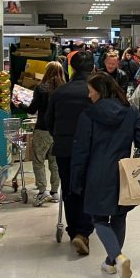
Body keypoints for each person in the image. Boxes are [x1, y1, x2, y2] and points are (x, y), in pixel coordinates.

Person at [70, 73, 140, 278]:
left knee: (98, 219)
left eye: (91, 91)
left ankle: (118, 257)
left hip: (96, 174)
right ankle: (111, 262)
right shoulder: (131, 112)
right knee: (119, 217)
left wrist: (76, 179)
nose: (89, 95)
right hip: (123, 172)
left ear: (100, 91)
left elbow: (81, 151)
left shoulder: (88, 115)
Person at [43, 51, 96, 255]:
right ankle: (85, 230)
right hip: (92, 148)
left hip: (65, 149)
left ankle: (76, 231)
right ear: (92, 68)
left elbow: (50, 121)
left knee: (70, 189)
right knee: (89, 187)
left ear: (71, 68)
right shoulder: (97, 90)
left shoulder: (59, 92)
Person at [23, 61, 64, 207]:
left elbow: (32, 109)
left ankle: (42, 190)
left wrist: (21, 103)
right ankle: (55, 191)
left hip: (43, 129)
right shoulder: (64, 89)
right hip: (59, 131)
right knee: (55, 162)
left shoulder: (40, 88)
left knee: (39, 160)